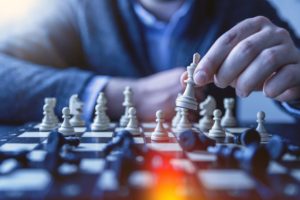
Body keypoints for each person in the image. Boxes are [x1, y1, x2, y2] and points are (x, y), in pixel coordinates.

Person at [0, 0, 299, 124]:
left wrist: (297, 93)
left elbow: (291, 66)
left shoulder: (242, 7)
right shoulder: (73, 8)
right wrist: (120, 96)